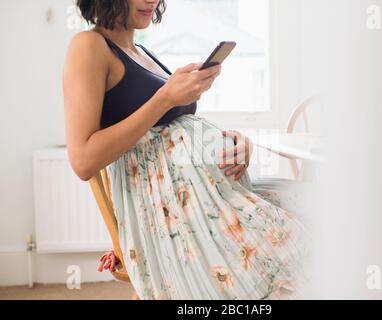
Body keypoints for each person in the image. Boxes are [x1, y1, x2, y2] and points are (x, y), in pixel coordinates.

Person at [63, 0, 308, 299]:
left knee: (314, 205)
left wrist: (235, 142)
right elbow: (82, 160)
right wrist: (164, 98)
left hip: (215, 196)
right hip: (180, 215)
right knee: (305, 247)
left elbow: (175, 128)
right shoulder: (89, 45)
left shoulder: (142, 52)